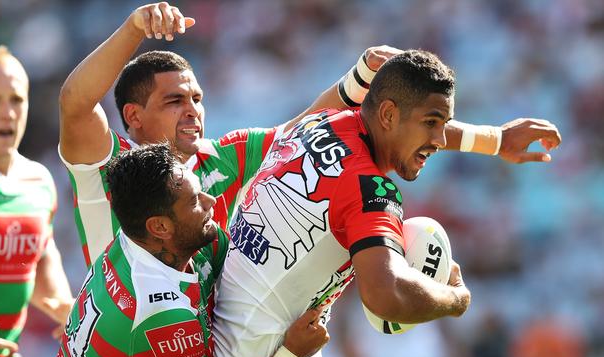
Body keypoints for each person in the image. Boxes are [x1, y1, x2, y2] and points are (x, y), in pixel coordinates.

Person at [58, 2, 562, 268]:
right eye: (174, 101)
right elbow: (75, 103)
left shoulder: (224, 159)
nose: (193, 110)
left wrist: (491, 140)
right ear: (133, 116)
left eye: (197, 98)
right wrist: (134, 27)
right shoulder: (109, 168)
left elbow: (328, 127)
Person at [210, 50, 530, 357]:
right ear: (388, 114)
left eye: (443, 123)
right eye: (431, 123)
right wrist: (456, 299)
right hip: (253, 355)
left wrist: (495, 140)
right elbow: (385, 296)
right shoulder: (368, 188)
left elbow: (413, 117)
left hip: (230, 333)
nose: (440, 139)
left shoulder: (323, 120)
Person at [56, 143, 329, 357]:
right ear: (160, 226)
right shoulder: (163, 315)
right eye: (195, 201)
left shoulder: (150, 239)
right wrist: (292, 354)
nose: (211, 202)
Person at [0, 46, 74, 357]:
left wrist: (66, 308)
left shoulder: (38, 181)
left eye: (16, 99)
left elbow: (38, 255)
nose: (7, 111)